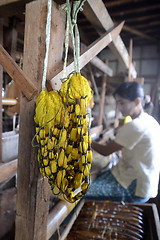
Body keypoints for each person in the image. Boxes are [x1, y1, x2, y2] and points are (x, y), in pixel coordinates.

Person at [85, 81, 160, 203]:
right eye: (118, 103)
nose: (119, 108)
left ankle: (67, 221)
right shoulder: (150, 121)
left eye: (122, 103)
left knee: (80, 192)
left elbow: (105, 151)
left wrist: (85, 139)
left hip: (134, 187)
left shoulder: (136, 125)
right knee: (95, 176)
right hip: (143, 181)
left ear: (137, 101)